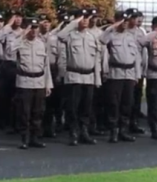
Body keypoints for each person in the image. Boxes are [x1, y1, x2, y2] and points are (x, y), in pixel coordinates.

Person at [58, 8, 103, 146]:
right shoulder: (70, 35)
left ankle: (84, 132)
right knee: (73, 107)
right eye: (82, 18)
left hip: (88, 76)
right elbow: (60, 35)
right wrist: (75, 21)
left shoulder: (92, 36)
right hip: (74, 76)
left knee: (86, 107)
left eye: (87, 18)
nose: (85, 20)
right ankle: (74, 133)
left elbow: (96, 59)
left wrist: (97, 78)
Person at [10, 17, 52, 150]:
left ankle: (35, 138)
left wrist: (48, 84)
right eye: (31, 28)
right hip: (25, 82)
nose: (33, 31)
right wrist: (22, 35)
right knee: (24, 112)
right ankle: (24, 138)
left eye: (36, 28)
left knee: (38, 112)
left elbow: (46, 66)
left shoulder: (41, 44)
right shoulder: (20, 43)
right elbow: (10, 49)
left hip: (39, 82)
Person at [100, 10, 141, 143]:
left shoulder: (131, 36)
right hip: (115, 73)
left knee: (127, 104)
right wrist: (113, 26)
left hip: (129, 73)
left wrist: (136, 74)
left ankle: (123, 130)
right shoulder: (111, 35)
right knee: (114, 104)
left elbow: (136, 57)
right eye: (123, 21)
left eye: (127, 21)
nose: (125, 23)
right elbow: (102, 39)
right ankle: (114, 131)